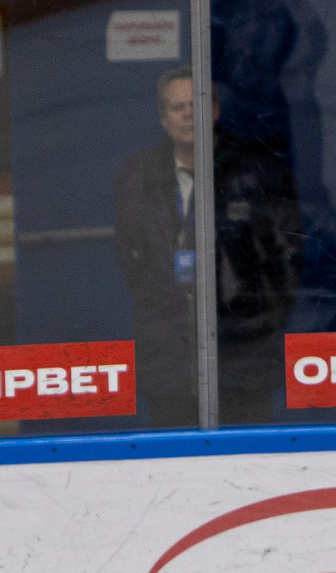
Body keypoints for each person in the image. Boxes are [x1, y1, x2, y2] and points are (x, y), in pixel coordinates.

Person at [112, 64, 304, 427]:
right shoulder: (138, 176)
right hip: (170, 360)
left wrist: (254, 322)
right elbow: (134, 260)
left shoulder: (258, 171)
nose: (187, 114)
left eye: (196, 104)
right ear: (163, 118)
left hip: (244, 360)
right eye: (177, 107)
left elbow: (288, 261)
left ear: (214, 111)